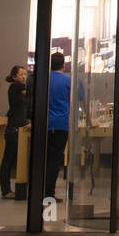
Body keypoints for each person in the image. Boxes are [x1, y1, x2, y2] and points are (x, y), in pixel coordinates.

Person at [0, 64, 31, 198]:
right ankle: (6, 191)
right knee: (8, 160)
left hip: (16, 127)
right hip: (14, 129)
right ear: (14, 77)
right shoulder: (17, 87)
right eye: (21, 74)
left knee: (9, 160)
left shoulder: (17, 88)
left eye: (25, 74)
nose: (24, 77)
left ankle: (6, 190)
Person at [46, 51, 71, 202]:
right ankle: (49, 193)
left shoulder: (44, 79)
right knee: (55, 160)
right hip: (61, 124)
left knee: (45, 157)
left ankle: (40, 190)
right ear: (63, 64)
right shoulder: (68, 81)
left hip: (46, 124)